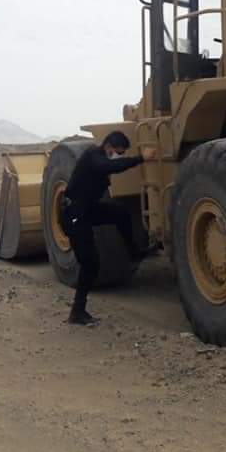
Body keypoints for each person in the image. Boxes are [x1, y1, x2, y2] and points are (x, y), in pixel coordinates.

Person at [60, 131, 156, 325]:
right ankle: (77, 312)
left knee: (120, 213)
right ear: (109, 147)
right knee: (90, 263)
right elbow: (110, 166)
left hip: (87, 209)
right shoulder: (93, 157)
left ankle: (134, 252)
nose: (119, 156)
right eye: (119, 152)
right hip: (74, 215)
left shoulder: (101, 157)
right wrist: (141, 158)